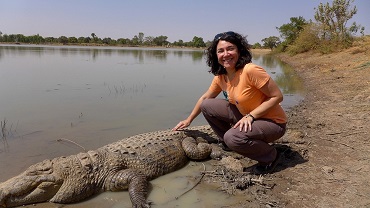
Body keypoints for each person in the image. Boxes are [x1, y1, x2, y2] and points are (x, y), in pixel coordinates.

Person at [172, 31, 287, 174]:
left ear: (239, 50)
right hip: (247, 117)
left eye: (230, 49)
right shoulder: (221, 76)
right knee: (207, 105)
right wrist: (188, 120)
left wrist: (251, 116)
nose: (226, 54)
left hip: (272, 122)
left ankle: (270, 157)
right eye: (220, 51)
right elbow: (204, 99)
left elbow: (277, 97)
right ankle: (230, 143)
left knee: (233, 137)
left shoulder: (250, 70)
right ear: (215, 55)